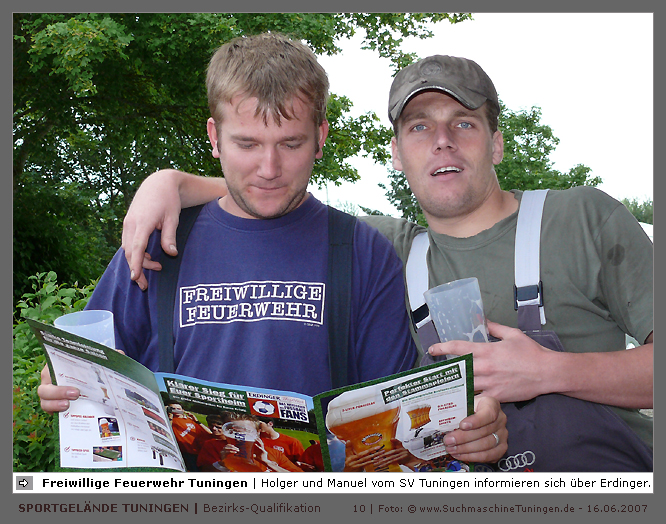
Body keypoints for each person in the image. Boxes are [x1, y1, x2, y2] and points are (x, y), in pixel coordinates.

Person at [117, 53, 653, 471]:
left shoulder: (581, 217)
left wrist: (550, 372)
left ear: (496, 143)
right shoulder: (381, 247)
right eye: (419, 127)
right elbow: (271, 192)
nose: (442, 142)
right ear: (396, 154)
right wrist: (170, 183)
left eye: (463, 124)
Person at [38, 35, 508, 467]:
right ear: (214, 137)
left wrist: (463, 431)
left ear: (320, 138)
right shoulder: (160, 239)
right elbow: (85, 369)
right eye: (247, 143)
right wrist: (62, 383)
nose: (268, 167)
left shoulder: (362, 252)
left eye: (290, 143)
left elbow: (396, 427)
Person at [166, 402, 212, 472]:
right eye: (173, 409)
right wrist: (169, 416)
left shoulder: (189, 418)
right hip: (188, 453)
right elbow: (167, 429)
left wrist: (196, 421)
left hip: (202, 450)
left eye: (178, 409)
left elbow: (209, 432)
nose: (176, 410)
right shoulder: (171, 420)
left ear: (183, 410)